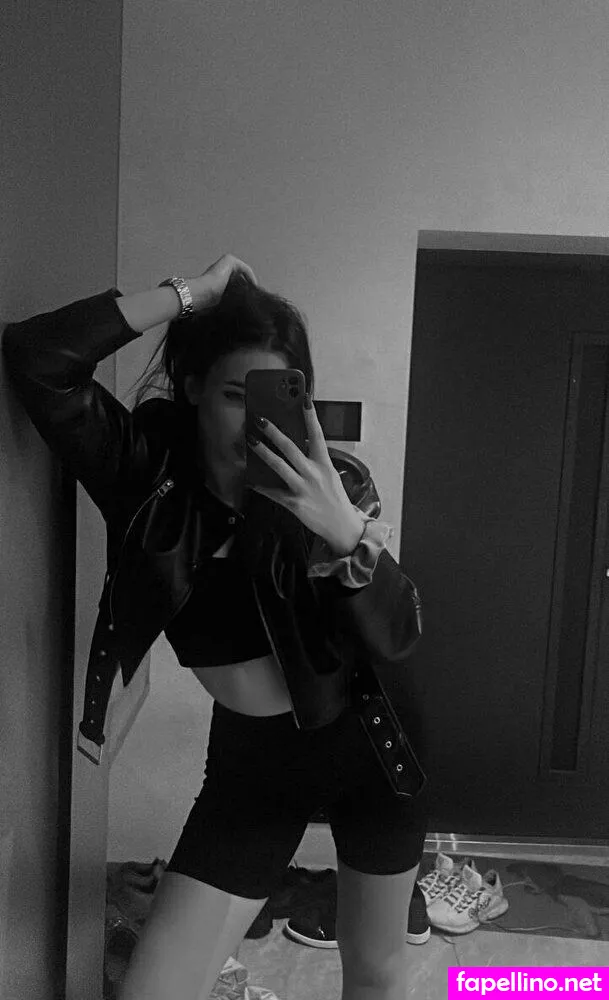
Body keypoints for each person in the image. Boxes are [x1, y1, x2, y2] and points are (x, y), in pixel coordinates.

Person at [3, 254, 427, 1000]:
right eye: (236, 395)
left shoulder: (333, 486)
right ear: (194, 386)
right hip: (254, 768)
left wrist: (343, 532)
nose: (253, 425)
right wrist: (189, 294)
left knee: (373, 970)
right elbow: (39, 358)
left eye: (275, 398)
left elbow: (397, 637)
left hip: (373, 742)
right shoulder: (143, 471)